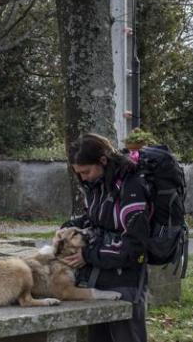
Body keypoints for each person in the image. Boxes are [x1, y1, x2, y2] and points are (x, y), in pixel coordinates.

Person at [61, 133, 150, 342]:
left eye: (86, 171)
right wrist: (71, 227)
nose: (83, 178)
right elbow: (96, 218)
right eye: (78, 173)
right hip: (98, 278)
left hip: (125, 282)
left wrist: (88, 255)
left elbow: (134, 246)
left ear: (103, 160)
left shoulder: (132, 187)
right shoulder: (96, 185)